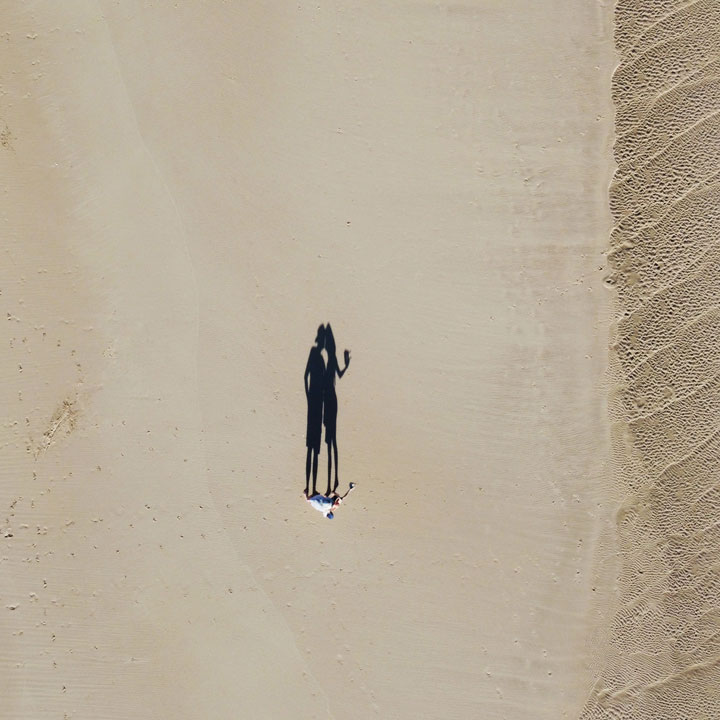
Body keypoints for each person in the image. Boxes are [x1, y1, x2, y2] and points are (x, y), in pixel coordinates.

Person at [322, 324, 350, 495]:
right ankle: (333, 482)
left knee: (330, 438)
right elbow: (339, 374)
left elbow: (335, 375)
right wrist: (346, 363)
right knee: (331, 439)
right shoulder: (331, 360)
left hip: (328, 398)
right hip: (330, 398)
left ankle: (332, 482)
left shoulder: (328, 361)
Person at [304, 324, 326, 495]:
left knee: (313, 448)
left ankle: (310, 487)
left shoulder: (318, 355)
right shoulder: (315, 353)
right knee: (313, 448)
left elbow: (306, 377)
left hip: (316, 401)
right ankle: (310, 487)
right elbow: (306, 376)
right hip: (316, 402)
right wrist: (309, 396)